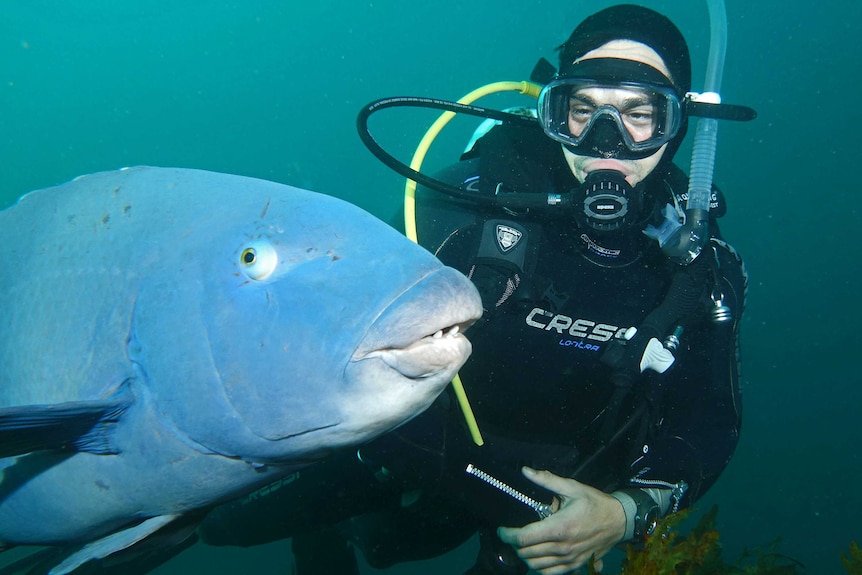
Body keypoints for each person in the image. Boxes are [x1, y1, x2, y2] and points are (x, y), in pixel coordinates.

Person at [196, 4, 749, 574]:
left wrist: (623, 513)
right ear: (550, 113)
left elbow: (709, 414)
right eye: (582, 110)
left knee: (411, 546)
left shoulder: (699, 267)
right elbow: (331, 332)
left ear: (678, 124)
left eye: (640, 113)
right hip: (394, 453)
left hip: (541, 501)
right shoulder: (464, 208)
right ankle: (325, 538)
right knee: (223, 528)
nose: (607, 142)